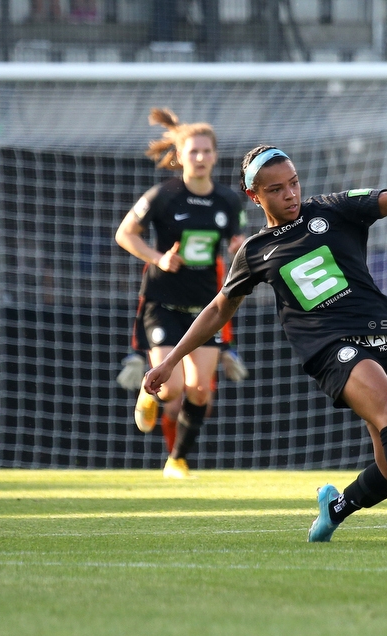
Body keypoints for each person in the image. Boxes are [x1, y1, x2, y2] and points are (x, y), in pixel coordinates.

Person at [143, 146, 387, 543]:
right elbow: (217, 310)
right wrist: (171, 360)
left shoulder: (334, 208)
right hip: (331, 347)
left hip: (386, 335)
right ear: (254, 196)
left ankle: (335, 509)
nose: (291, 194)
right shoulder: (256, 250)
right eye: (277, 189)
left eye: (293, 183)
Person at [115, 107, 244, 479]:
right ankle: (148, 392)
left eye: (206, 151)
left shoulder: (228, 202)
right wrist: (158, 258)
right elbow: (125, 234)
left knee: (201, 390)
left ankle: (177, 460)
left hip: (205, 308)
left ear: (215, 156)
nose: (201, 158)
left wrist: (240, 245)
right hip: (164, 304)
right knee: (170, 391)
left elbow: (237, 239)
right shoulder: (163, 195)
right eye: (193, 151)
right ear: (181, 156)